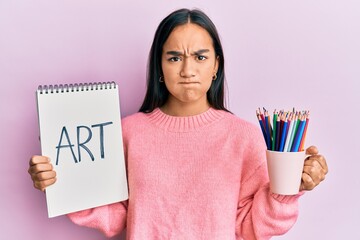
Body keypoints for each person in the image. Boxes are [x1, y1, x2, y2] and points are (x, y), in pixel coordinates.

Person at [28, 8, 328, 240]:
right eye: (174, 58)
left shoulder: (244, 138)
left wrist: (287, 188)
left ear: (216, 66)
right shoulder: (128, 132)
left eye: (200, 56)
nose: (187, 70)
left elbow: (251, 226)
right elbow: (118, 217)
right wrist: (61, 185)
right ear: (159, 65)